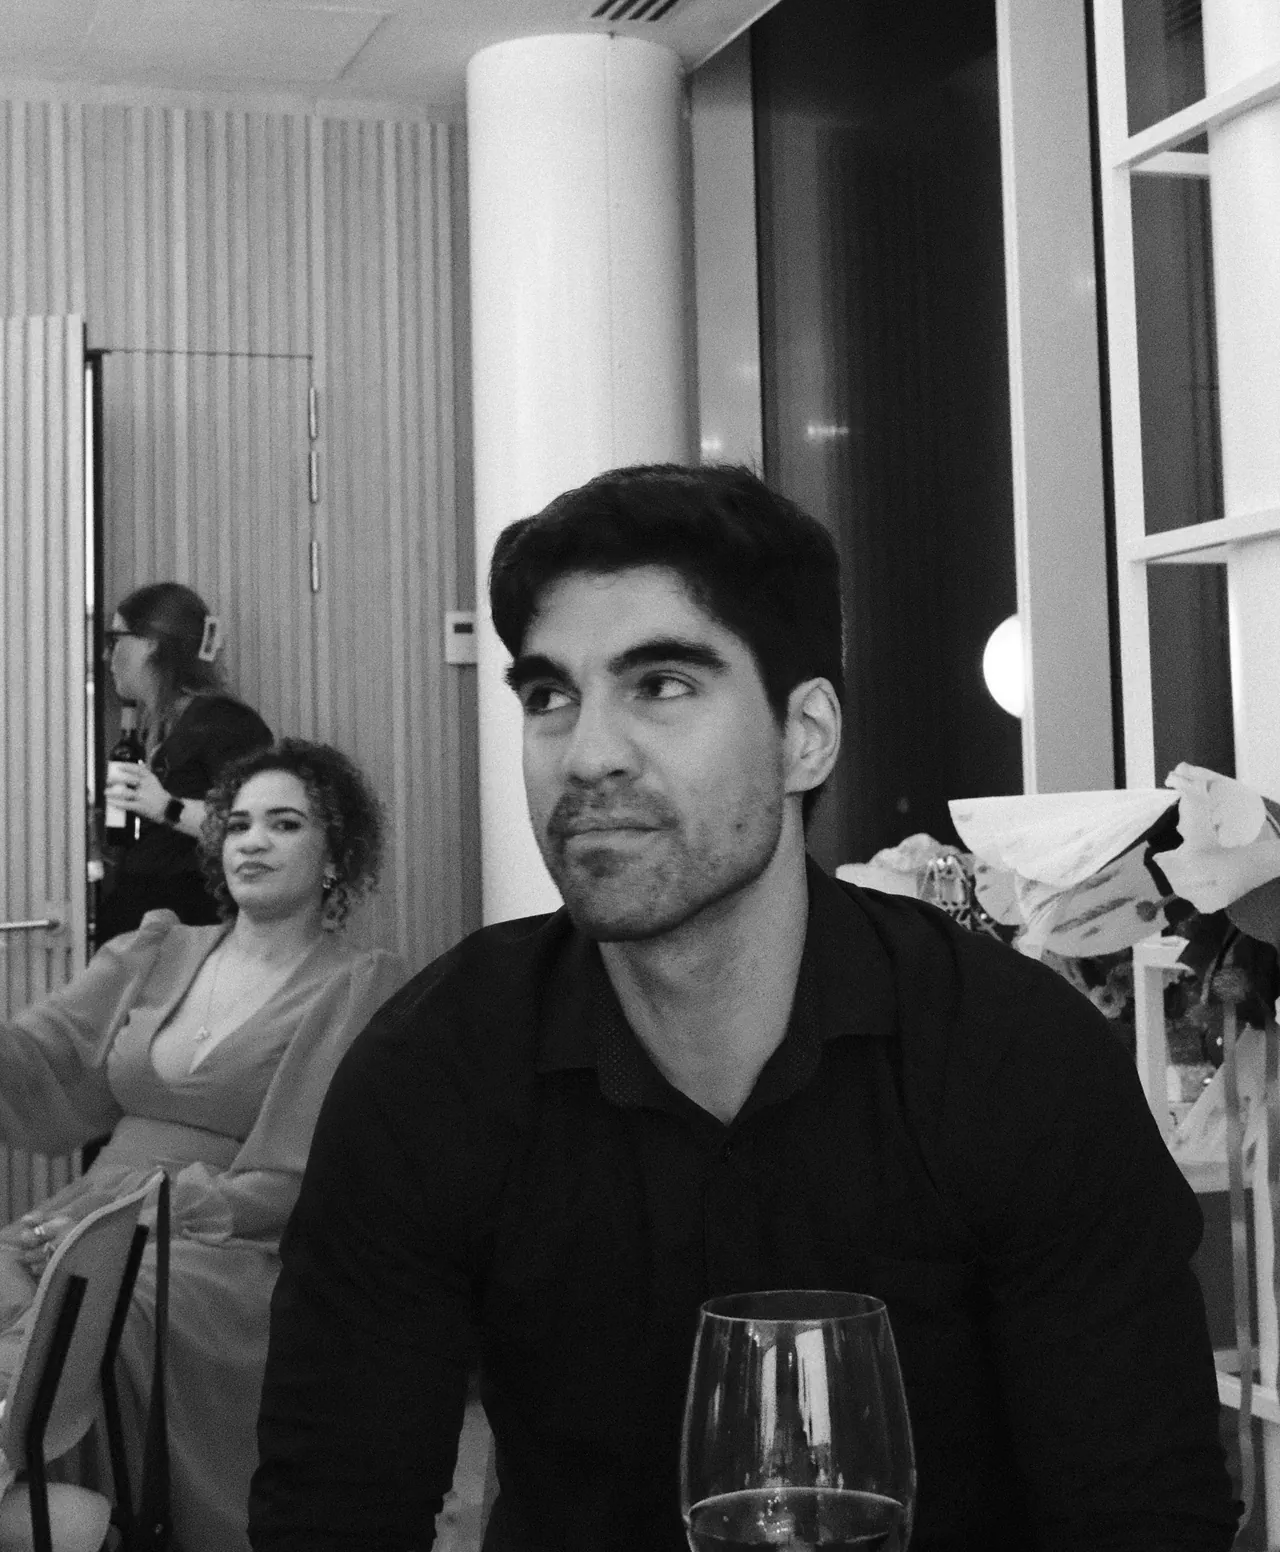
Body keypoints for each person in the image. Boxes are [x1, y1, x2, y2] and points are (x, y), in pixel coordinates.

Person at [250, 465, 1236, 1552]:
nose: (586, 753)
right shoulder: (436, 1070)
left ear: (804, 734)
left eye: (662, 684)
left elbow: (1145, 1511)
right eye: (548, 697)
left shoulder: (1010, 1058)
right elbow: (332, 1506)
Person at [0, 739, 405, 1552]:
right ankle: (57, 1520)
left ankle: (84, 1517)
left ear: (335, 855)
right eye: (239, 824)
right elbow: (46, 1056)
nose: (252, 841)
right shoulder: (157, 947)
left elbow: (298, 1175)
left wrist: (140, 1217)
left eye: (284, 824)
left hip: (236, 1242)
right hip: (95, 1212)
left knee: (106, 1314)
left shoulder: (358, 983)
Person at [98, 581, 273, 940]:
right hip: (148, 926)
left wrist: (167, 807)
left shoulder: (225, 723)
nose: (106, 655)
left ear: (150, 644)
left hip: (194, 930)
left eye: (115, 639)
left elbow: (255, 822)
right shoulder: (156, 726)